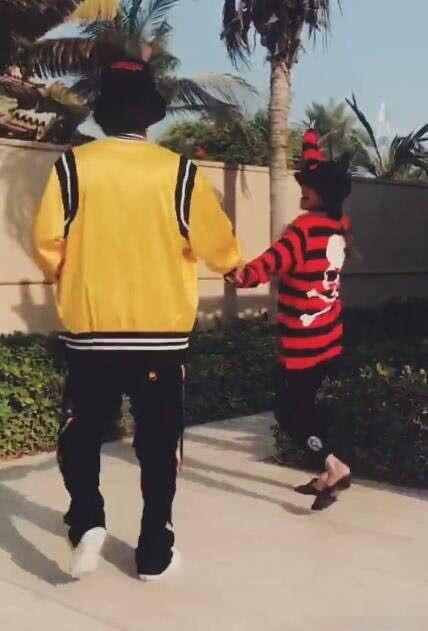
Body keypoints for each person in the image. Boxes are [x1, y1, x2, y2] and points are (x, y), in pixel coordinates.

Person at [33, 57, 242, 580]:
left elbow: (47, 242)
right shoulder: (179, 172)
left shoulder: (73, 167)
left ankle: (87, 521)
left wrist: (67, 276)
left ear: (102, 113)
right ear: (151, 115)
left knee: (82, 432)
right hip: (160, 338)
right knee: (158, 443)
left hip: (91, 332)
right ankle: (153, 552)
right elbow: (219, 246)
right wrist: (232, 264)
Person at [227, 130, 353, 511]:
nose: (302, 189)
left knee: (289, 412)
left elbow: (274, 261)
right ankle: (327, 471)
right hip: (328, 336)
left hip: (301, 344)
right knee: (309, 406)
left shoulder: (303, 229)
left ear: (322, 193)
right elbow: (320, 174)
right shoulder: (339, 225)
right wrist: (310, 145)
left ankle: (333, 466)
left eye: (307, 187)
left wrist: (242, 275)